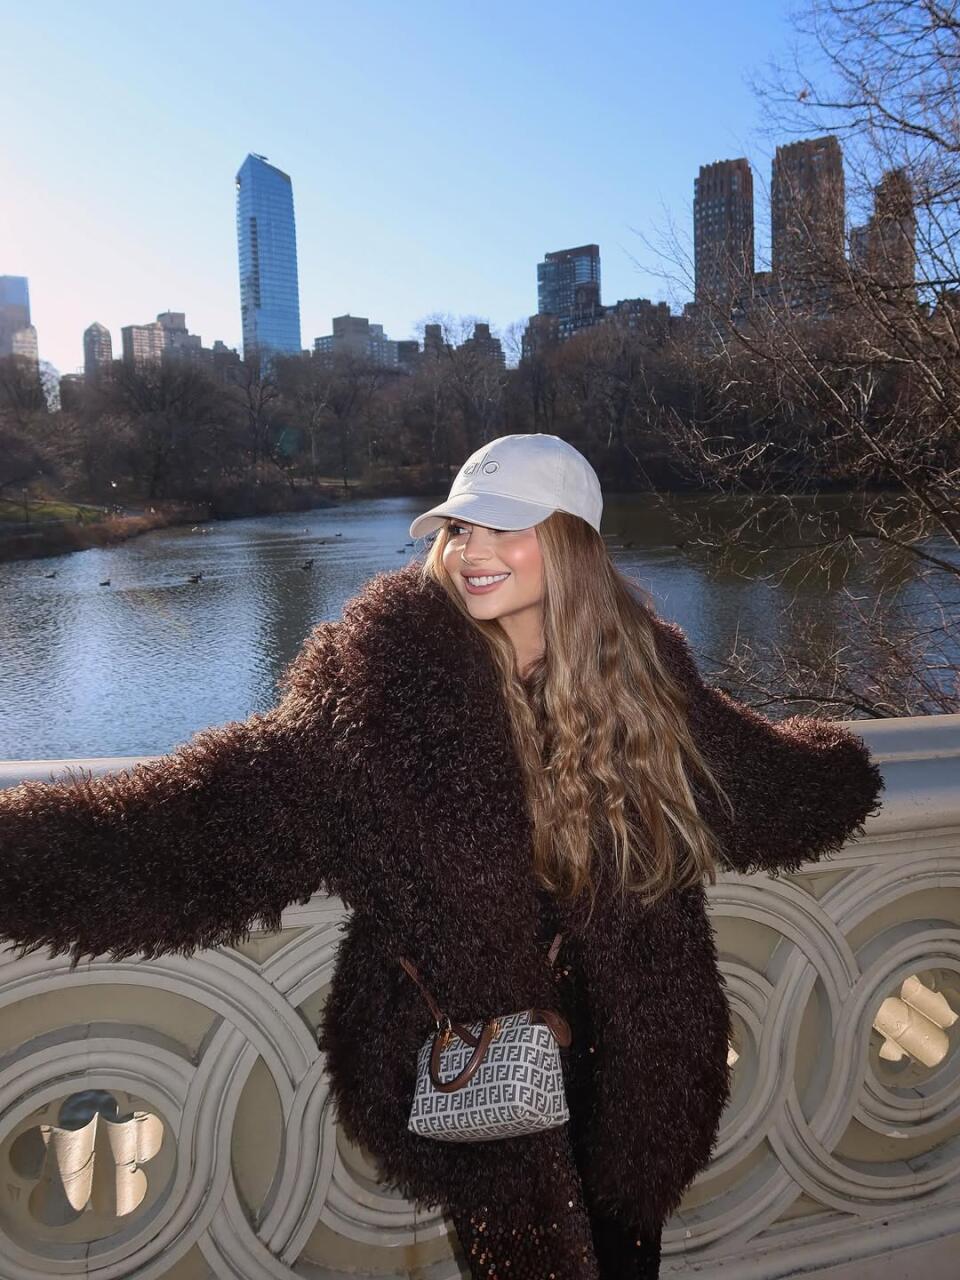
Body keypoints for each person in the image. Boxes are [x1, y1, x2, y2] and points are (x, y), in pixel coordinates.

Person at [0, 433, 884, 1279]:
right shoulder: (383, 698)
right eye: (459, 527)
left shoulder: (646, 680)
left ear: (573, 544)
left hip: (640, 1056)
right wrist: (25, 852)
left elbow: (760, 788)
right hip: (482, 1076)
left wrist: (842, 769)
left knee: (626, 1254)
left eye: (505, 526)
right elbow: (200, 826)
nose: (471, 551)